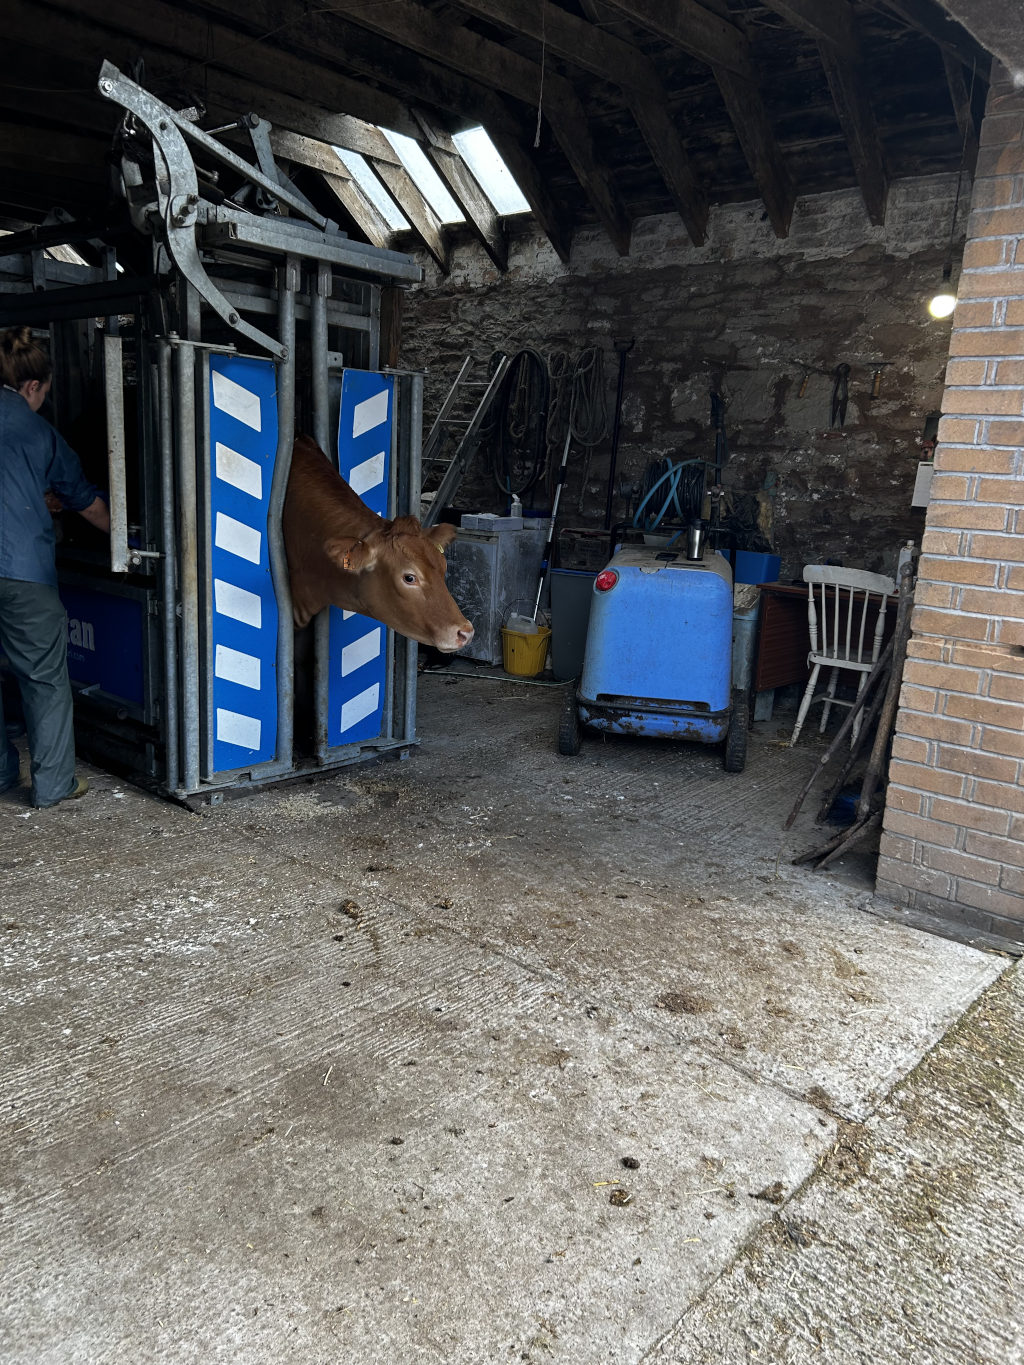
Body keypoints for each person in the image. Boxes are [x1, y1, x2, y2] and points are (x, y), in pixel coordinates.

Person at [0, 326, 110, 808]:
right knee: (43, 679)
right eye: (44, 392)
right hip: (22, 571)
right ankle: (53, 785)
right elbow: (85, 501)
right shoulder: (37, 431)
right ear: (32, 386)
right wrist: (130, 535)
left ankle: (1, 773)